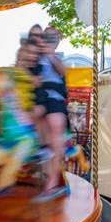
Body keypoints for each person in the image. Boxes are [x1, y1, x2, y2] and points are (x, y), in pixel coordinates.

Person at [34, 26, 69, 202]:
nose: (50, 37)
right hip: (40, 97)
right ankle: (43, 148)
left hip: (54, 98)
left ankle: (52, 183)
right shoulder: (37, 56)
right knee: (33, 115)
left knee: (55, 131)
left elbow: (63, 71)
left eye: (54, 35)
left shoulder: (57, 57)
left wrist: (50, 55)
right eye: (47, 35)